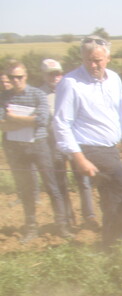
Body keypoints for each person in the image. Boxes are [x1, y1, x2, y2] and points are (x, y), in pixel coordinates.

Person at [53, 36, 122, 246]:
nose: (93, 65)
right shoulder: (71, 83)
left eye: (97, 60)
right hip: (90, 150)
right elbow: (61, 124)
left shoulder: (114, 79)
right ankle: (116, 240)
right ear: (82, 59)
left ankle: (108, 247)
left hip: (111, 149)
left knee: (112, 201)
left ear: (108, 58)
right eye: (88, 60)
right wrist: (79, 159)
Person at [0, 61, 70, 240]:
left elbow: (42, 120)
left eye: (19, 77)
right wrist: (27, 120)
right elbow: (2, 124)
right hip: (16, 148)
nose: (15, 80)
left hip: (39, 145)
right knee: (26, 189)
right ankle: (31, 228)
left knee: (51, 186)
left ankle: (62, 226)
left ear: (26, 76)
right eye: (11, 77)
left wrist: (13, 118)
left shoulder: (37, 94)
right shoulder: (3, 96)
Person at [40, 58, 98, 231]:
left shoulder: (71, 88)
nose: (55, 77)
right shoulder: (40, 95)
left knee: (84, 180)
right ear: (43, 75)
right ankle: (68, 218)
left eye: (57, 73)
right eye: (50, 74)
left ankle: (89, 216)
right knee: (61, 182)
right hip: (54, 144)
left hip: (76, 142)